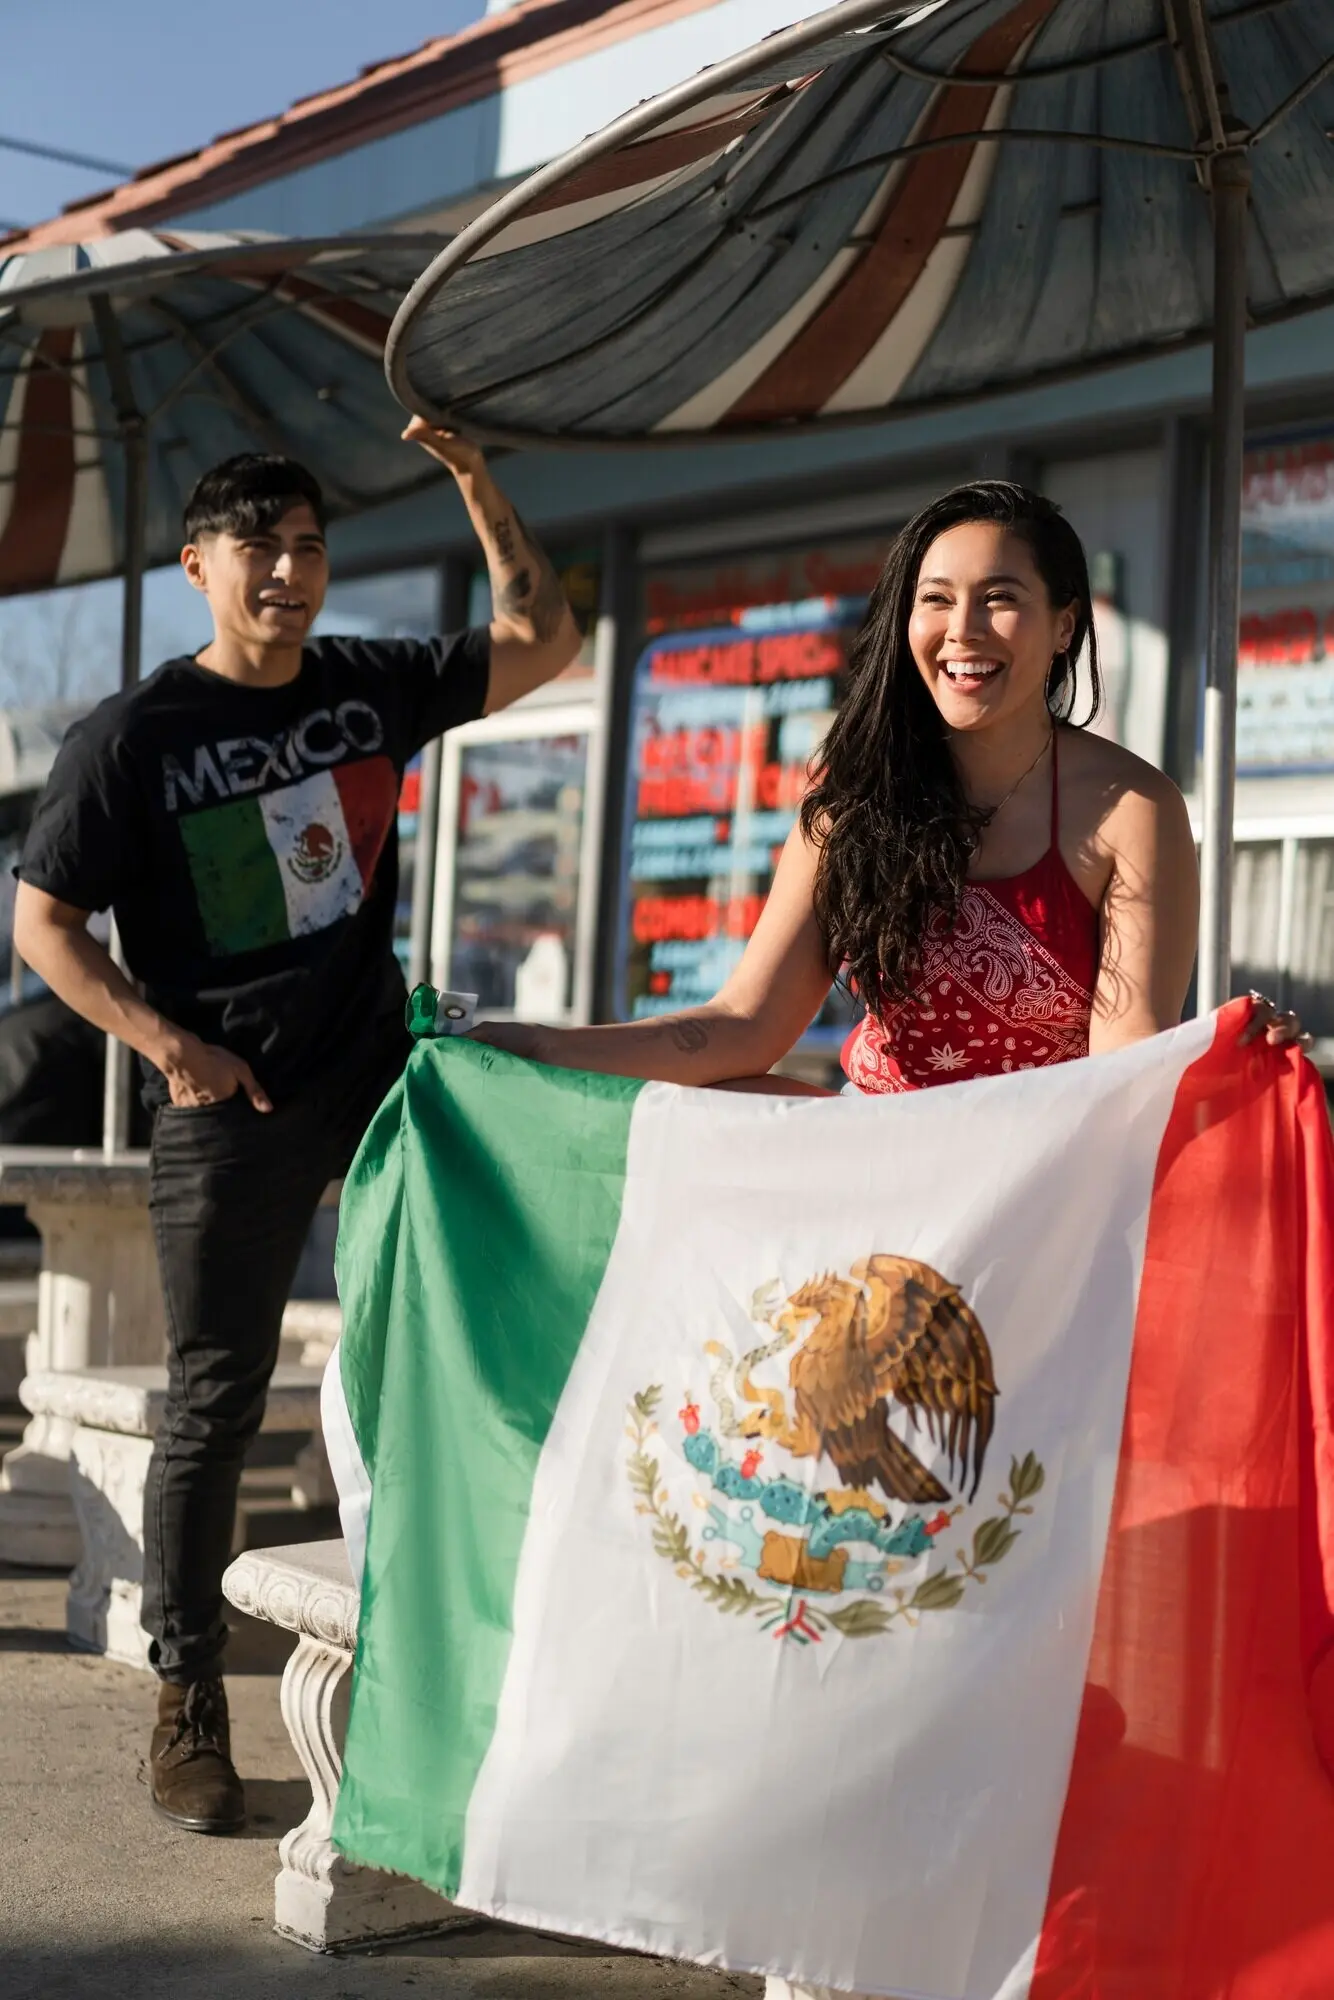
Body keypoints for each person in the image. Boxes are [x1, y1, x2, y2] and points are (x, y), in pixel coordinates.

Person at [13, 428, 581, 1833]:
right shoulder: (131, 741)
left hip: (378, 1074)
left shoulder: (367, 685)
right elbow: (45, 924)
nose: (287, 570)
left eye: (309, 545)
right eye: (258, 546)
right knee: (216, 1397)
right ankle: (187, 1695)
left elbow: (543, 637)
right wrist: (167, 1044)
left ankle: (457, 1643)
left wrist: (473, 487)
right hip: (231, 1101)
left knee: (456, 1340)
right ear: (200, 565)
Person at [472, 480, 1307, 1091]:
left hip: (1050, 1197)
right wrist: (539, 1049)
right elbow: (743, 1027)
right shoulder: (850, 801)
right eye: (935, 600)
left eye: (1000, 599)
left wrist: (1218, 1060)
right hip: (877, 1179)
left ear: (1063, 626)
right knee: (709, 1110)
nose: (962, 631)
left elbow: (1123, 1065)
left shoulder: (1135, 810)